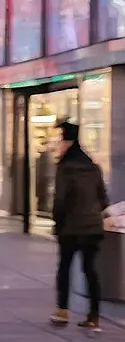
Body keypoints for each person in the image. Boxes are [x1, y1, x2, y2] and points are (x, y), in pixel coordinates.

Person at [51, 120, 108, 331]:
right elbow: (103, 198)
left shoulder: (65, 168)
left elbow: (61, 200)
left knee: (65, 266)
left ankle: (62, 310)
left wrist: (57, 222)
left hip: (71, 227)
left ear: (67, 142)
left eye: (61, 140)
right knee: (90, 270)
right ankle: (94, 315)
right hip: (92, 225)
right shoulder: (93, 167)